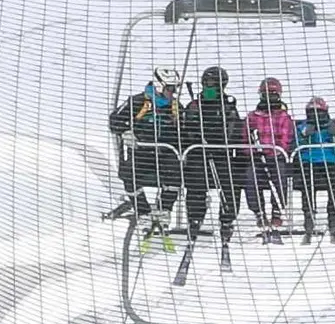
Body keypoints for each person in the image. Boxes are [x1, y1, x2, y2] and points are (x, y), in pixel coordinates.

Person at [108, 67, 185, 229]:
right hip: (142, 151)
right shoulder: (137, 102)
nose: (172, 93)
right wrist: (126, 132)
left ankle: (164, 209)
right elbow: (114, 120)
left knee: (175, 173)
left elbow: (185, 129)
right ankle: (143, 211)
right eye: (169, 88)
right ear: (159, 85)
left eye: (175, 89)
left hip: (166, 152)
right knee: (128, 174)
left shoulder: (175, 106)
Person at [181, 66, 246, 250]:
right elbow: (185, 130)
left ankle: (227, 220)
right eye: (207, 83)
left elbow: (234, 130)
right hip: (198, 153)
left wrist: (221, 138)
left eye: (213, 84)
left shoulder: (228, 105)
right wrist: (195, 131)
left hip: (220, 153)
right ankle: (195, 219)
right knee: (195, 182)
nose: (209, 87)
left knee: (231, 183)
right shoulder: (194, 105)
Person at [243, 77, 295, 242]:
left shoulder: (283, 117)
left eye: (273, 94)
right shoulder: (252, 116)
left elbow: (285, 139)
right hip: (257, 158)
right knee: (251, 177)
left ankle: (277, 210)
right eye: (266, 94)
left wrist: (274, 151)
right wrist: (252, 150)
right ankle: (259, 211)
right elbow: (245, 138)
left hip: (275, 157)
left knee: (280, 176)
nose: (270, 97)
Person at [294, 97, 335, 245]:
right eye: (312, 112)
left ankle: (333, 221)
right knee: (307, 186)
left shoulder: (331, 126)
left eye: (319, 112)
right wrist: (304, 136)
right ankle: (309, 222)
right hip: (309, 162)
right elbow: (296, 146)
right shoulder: (302, 126)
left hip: (329, 161)